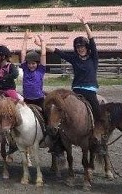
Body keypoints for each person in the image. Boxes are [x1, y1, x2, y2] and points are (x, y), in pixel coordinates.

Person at [44, 15, 104, 153]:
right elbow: (59, 52)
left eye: (82, 47)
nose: (80, 49)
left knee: (98, 113)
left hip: (90, 91)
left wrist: (85, 24)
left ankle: (99, 140)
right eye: (78, 47)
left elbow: (93, 41)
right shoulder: (74, 59)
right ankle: (58, 142)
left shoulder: (93, 58)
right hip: (76, 91)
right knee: (60, 111)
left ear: (86, 48)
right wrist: (42, 45)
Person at [20, 31, 47, 110]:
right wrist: (25, 39)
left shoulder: (41, 70)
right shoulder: (25, 69)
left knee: (45, 116)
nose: (31, 65)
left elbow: (43, 54)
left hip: (39, 99)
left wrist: (42, 41)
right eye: (29, 63)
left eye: (33, 63)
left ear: (37, 63)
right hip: (27, 99)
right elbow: (23, 53)